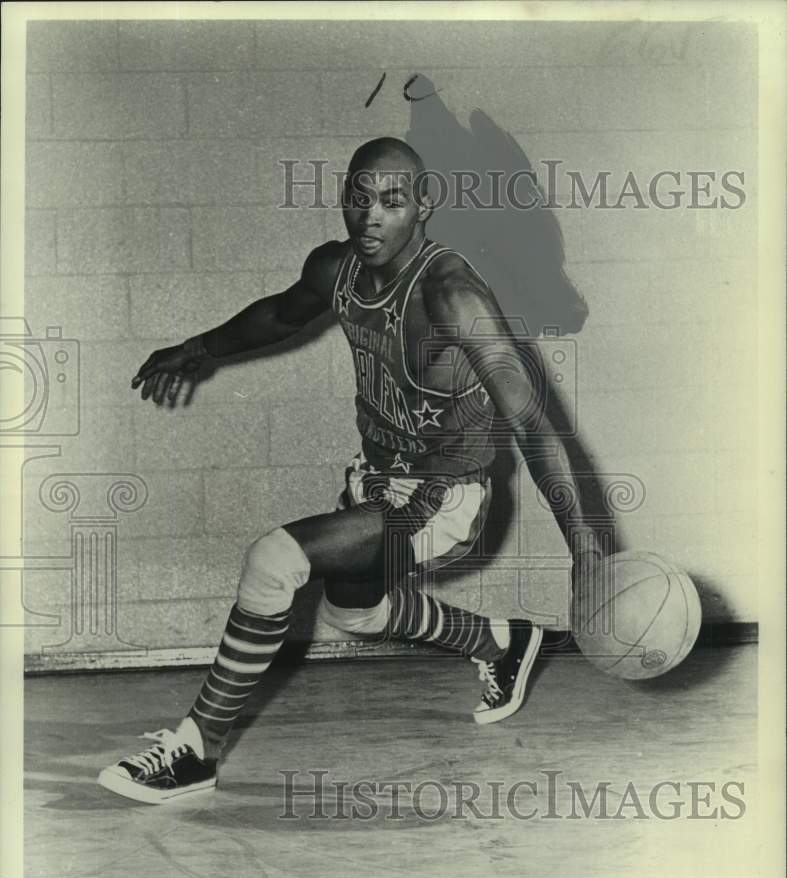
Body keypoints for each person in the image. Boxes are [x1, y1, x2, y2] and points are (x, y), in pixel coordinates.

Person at [98, 137, 601, 804]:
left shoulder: (452, 296)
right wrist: (196, 348)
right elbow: (280, 314)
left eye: (391, 202)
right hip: (377, 478)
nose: (370, 217)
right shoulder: (335, 268)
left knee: (275, 561)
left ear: (423, 205)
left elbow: (533, 423)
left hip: (444, 495)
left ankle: (196, 751)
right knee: (354, 613)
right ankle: (503, 644)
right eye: (358, 200)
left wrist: (587, 550)